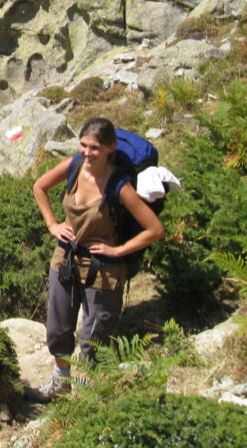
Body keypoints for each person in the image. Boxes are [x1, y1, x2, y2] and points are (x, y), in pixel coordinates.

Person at [31, 117, 164, 400]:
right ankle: (62, 381)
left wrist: (118, 251)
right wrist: (52, 224)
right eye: (83, 145)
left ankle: (89, 394)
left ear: (109, 149)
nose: (87, 153)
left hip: (104, 269)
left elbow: (155, 229)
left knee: (95, 338)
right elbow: (39, 187)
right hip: (65, 258)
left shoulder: (119, 186)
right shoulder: (74, 167)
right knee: (57, 328)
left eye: (94, 148)